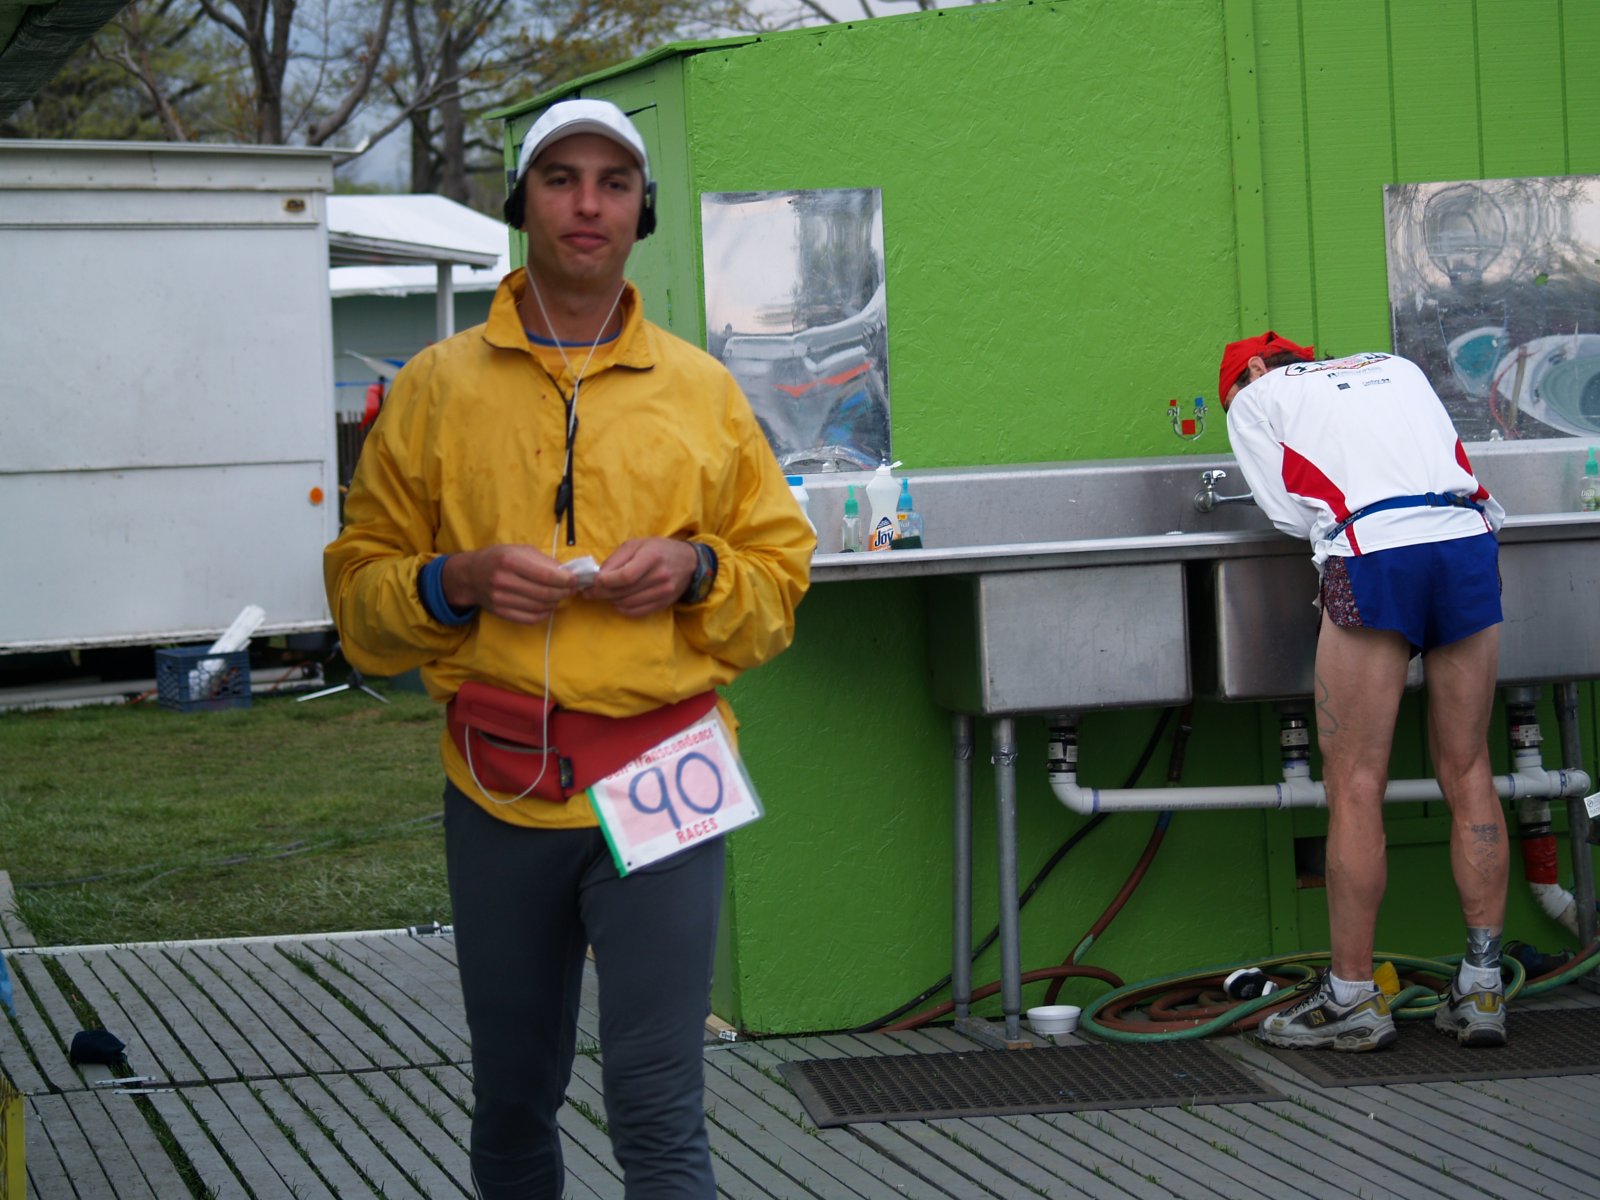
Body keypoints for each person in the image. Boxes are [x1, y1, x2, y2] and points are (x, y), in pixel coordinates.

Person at [324, 98, 814, 1198]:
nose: (588, 203)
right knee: (512, 1094)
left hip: (665, 769)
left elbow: (778, 586)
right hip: (497, 780)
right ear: (521, 203)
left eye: (613, 182)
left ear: (643, 211)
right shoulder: (436, 389)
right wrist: (454, 582)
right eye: (560, 178)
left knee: (658, 1105)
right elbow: (359, 600)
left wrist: (697, 570)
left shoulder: (702, 390)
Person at [1217, 331, 1509, 1052]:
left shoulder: (1258, 395)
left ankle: (1351, 996)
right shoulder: (1395, 366)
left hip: (1375, 553)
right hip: (1465, 538)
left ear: (1251, 370)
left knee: (1354, 785)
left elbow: (1287, 513)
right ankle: (1481, 988)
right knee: (1470, 767)